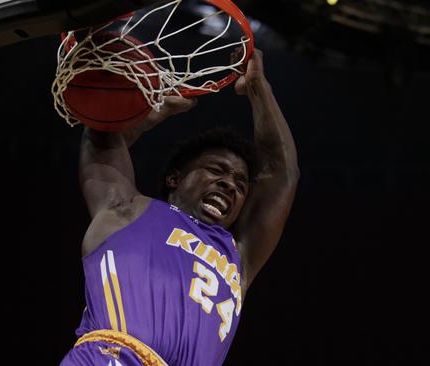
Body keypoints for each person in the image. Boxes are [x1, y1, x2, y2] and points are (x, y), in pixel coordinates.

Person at [60, 48, 299, 366]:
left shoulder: (237, 256)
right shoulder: (128, 210)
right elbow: (101, 141)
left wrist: (258, 87)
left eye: (241, 185)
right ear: (175, 178)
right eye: (216, 170)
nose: (229, 184)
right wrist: (148, 116)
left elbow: (281, 174)